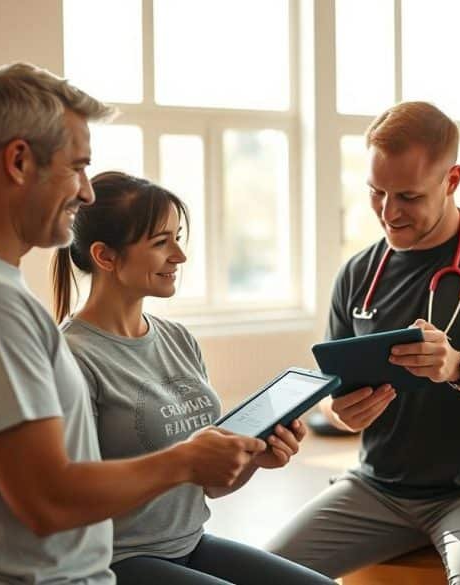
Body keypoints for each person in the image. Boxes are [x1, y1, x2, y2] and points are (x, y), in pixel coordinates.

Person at [0, 62, 265, 584]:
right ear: (19, 161)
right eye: (77, 167)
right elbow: (47, 498)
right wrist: (184, 461)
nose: (87, 193)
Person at [267, 101, 460, 585]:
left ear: (452, 179)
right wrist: (346, 413)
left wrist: (459, 367)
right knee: (261, 575)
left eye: (407, 196)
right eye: (376, 192)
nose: (388, 213)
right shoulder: (358, 274)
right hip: (376, 488)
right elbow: (337, 402)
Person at [51, 170, 336, 585]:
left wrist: (254, 459)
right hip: (112, 562)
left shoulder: (179, 340)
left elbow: (209, 486)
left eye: (177, 237)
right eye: (160, 242)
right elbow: (69, 499)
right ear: (105, 256)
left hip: (189, 544)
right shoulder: (71, 357)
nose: (179, 256)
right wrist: (183, 462)